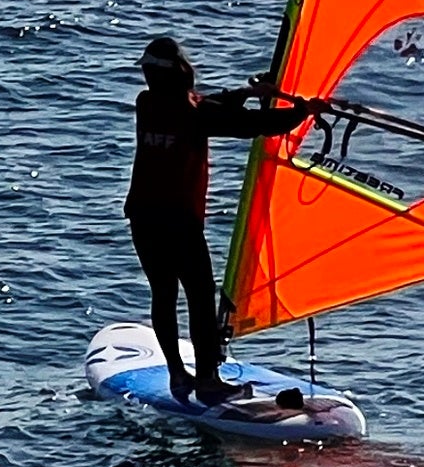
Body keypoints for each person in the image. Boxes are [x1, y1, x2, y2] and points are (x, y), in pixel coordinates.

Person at [126, 38, 319, 401]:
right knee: (199, 297)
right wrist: (302, 112)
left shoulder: (146, 103)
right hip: (179, 222)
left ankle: (178, 376)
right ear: (182, 73)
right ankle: (208, 381)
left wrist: (248, 90)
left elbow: (210, 105)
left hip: (143, 218)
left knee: (163, 294)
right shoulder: (194, 114)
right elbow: (253, 125)